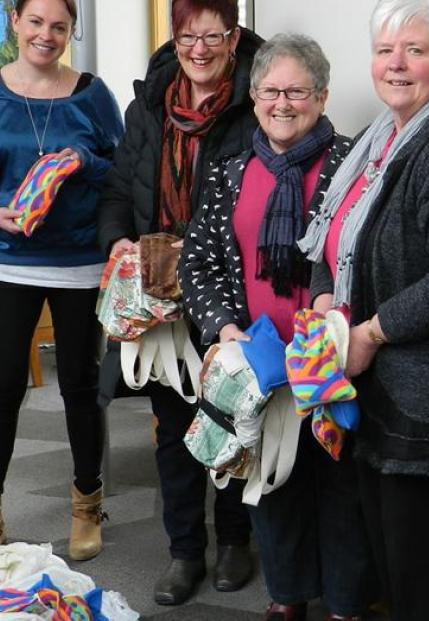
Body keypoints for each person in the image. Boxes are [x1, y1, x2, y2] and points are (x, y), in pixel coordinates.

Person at [296, 1, 429, 618]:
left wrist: (369, 329)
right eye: (385, 50)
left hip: (426, 402)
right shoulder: (378, 139)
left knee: (423, 576)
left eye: (414, 51)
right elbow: (333, 237)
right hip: (372, 390)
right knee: (390, 566)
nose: (396, 64)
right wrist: (323, 305)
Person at [180, 34, 377, 621]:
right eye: (270, 91)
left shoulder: (355, 164)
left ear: (321, 96)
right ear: (254, 95)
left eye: (296, 91)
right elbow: (198, 263)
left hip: (332, 359)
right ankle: (287, 596)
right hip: (260, 361)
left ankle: (346, 604)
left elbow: (369, 257)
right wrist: (221, 329)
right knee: (272, 483)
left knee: (342, 488)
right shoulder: (230, 171)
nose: (282, 103)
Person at [0, 0, 123, 563]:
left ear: (71, 31)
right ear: (15, 21)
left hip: (79, 262)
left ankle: (87, 504)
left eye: (60, 26)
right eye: (36, 22)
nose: (48, 35)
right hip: (3, 258)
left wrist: (81, 162)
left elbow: (120, 170)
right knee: (0, 387)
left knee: (79, 384)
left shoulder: (93, 94)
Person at [97, 0, 263, 606]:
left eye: (213, 35)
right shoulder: (150, 103)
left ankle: (237, 541)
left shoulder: (256, 102)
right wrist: (117, 238)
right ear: (176, 36)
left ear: (233, 36)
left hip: (229, 286)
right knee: (172, 426)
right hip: (159, 291)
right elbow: (121, 184)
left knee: (233, 415)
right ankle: (185, 551)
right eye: (189, 35)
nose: (200, 48)